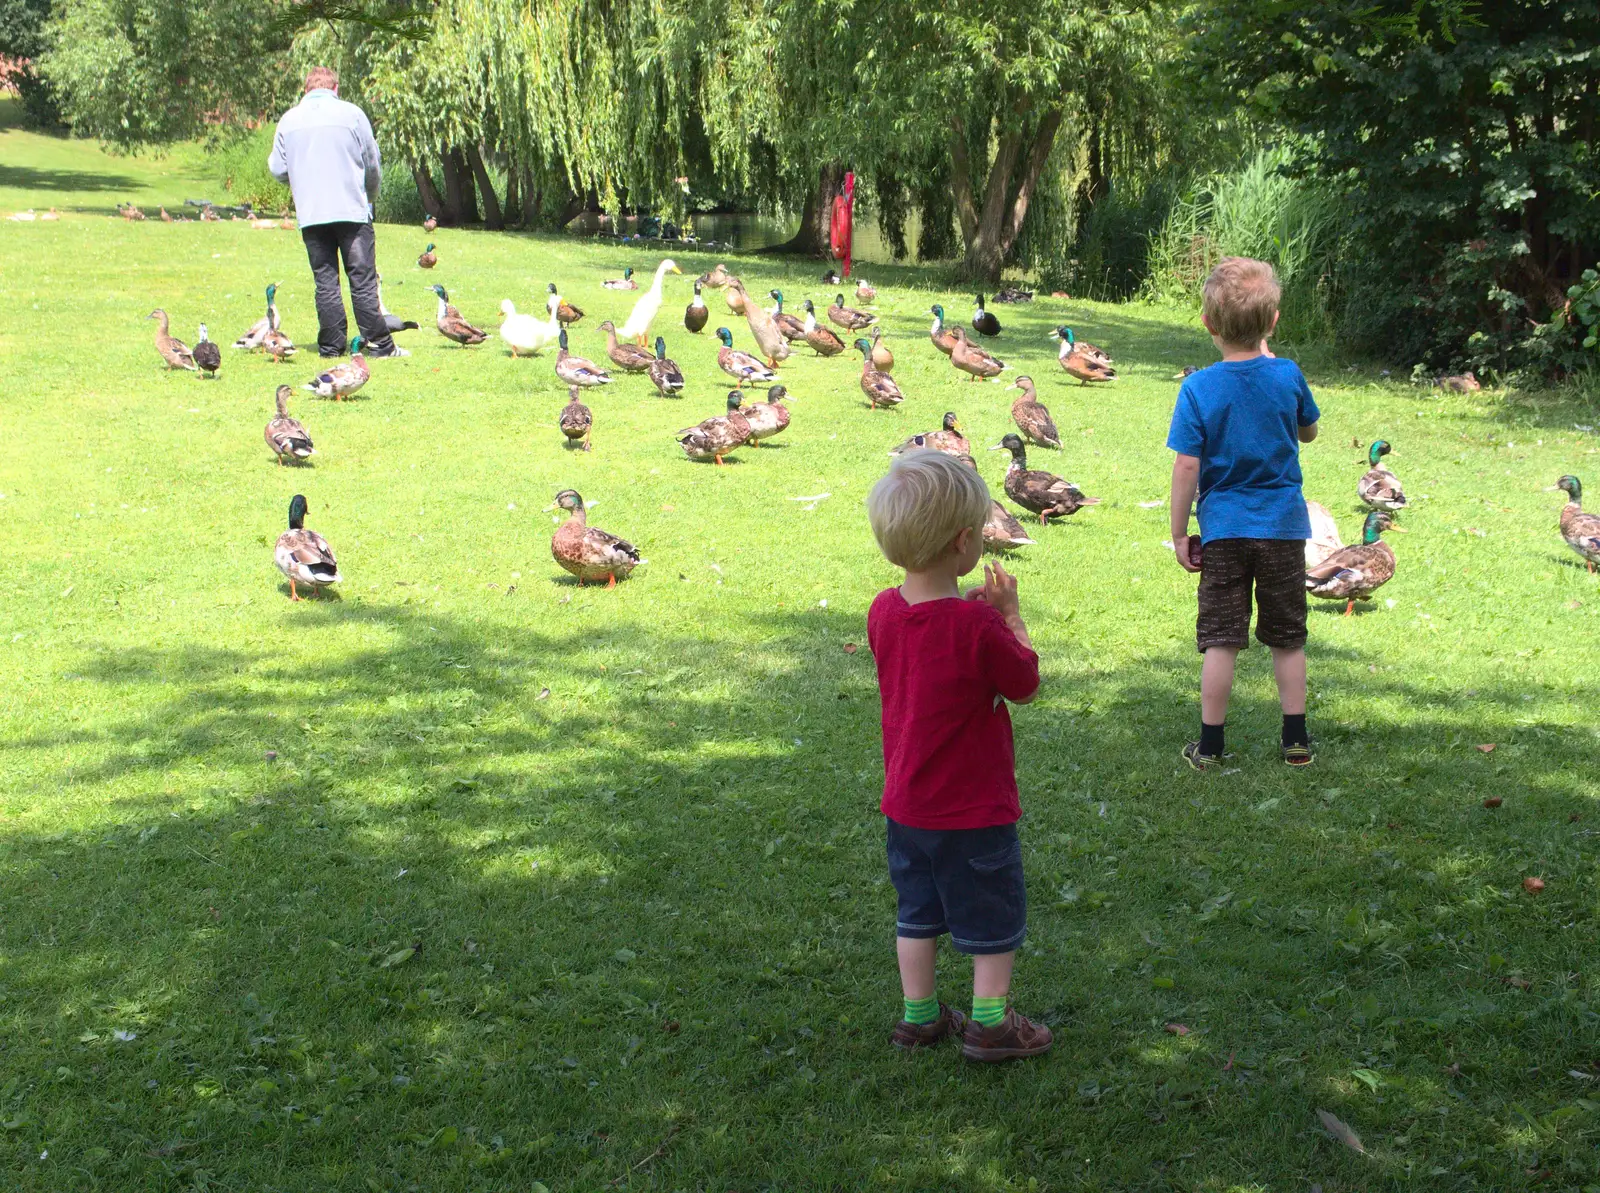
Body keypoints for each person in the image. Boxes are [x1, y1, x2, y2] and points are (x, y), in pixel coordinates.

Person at [865, 451, 1053, 1063]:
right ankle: (990, 1024)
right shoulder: (979, 628)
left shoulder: (882, 611)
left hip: (907, 805)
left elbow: (930, 648)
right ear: (966, 541)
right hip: (974, 807)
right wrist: (1010, 617)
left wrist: (978, 617)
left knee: (916, 912)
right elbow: (1024, 685)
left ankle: (919, 1017)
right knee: (989, 913)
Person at [1167, 257, 1320, 769]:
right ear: (1272, 320)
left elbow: (1188, 464)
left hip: (1225, 532)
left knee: (1220, 639)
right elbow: (1308, 431)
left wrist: (1178, 532)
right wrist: (1276, 372)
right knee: (1287, 636)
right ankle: (1295, 741)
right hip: (1282, 529)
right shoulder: (1287, 374)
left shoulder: (1198, 388)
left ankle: (1210, 745)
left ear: (1209, 325)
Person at [268, 67, 404, 358]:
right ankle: (379, 345)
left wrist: (299, 178)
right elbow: (372, 162)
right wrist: (371, 197)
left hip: (312, 213)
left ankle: (331, 347)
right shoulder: (352, 114)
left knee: (325, 280)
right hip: (352, 211)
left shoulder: (288, 120)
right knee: (362, 278)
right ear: (336, 88)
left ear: (306, 89)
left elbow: (278, 168)